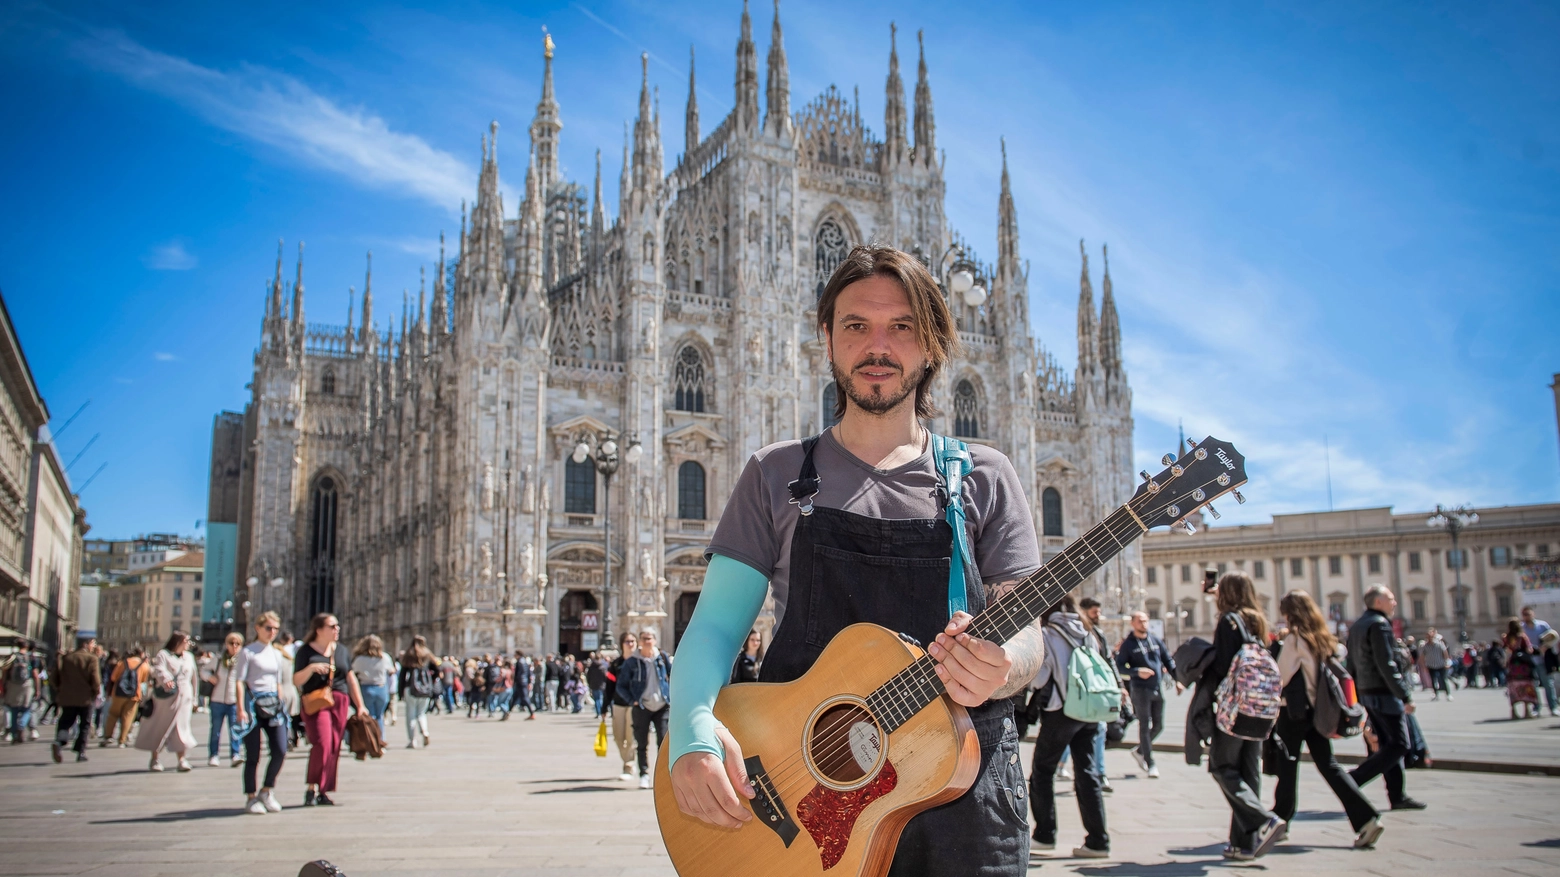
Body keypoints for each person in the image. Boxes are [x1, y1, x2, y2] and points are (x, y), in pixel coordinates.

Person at [666, 245, 1047, 876]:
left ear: (932, 345)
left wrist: (1004, 666)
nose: (878, 346)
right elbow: (713, 627)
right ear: (827, 339)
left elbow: (1025, 625)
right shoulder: (777, 473)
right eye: (856, 326)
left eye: (902, 327)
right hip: (805, 798)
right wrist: (693, 733)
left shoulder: (984, 475)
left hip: (964, 792)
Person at [1270, 590, 1383, 849]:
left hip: (1293, 712)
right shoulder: (1321, 638)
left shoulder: (1295, 640)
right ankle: (1366, 818)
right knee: (1329, 766)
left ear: (1290, 614)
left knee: (1287, 766)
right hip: (1317, 711)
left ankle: (1279, 820)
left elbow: (1281, 677)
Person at [1203, 573, 1285, 860]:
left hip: (1236, 707)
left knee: (1221, 766)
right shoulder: (1258, 621)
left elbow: (1226, 667)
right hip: (1260, 709)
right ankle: (1244, 844)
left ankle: (1264, 820)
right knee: (1249, 772)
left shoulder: (1228, 621)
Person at [1027, 596, 1111, 859]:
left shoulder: (1049, 633)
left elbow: (1039, 678)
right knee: (1087, 774)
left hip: (1060, 712)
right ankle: (1098, 841)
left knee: (1042, 772)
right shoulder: (1089, 632)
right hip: (1088, 710)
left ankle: (1045, 835)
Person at [1346, 585, 1427, 811]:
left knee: (1387, 744)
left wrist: (1356, 693)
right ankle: (1354, 779)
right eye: (1390, 598)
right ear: (1378, 602)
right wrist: (1404, 695)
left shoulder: (1358, 626)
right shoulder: (1380, 625)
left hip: (1367, 692)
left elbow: (1350, 664)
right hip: (1384, 692)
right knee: (1400, 744)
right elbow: (1387, 664)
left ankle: (1397, 795)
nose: (1394, 602)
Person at [294, 613, 366, 806]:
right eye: (332, 626)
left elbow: (351, 679)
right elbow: (296, 680)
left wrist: (360, 705)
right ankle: (312, 786)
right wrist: (311, 669)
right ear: (319, 630)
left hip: (340, 701)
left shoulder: (341, 650)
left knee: (334, 746)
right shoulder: (306, 652)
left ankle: (323, 790)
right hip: (316, 701)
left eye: (337, 626)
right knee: (322, 743)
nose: (337, 630)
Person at [1115, 610, 1180, 779]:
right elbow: (1120, 667)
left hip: (1156, 688)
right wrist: (1137, 672)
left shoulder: (1155, 641)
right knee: (1144, 725)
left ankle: (1140, 750)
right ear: (1133, 623)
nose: (1143, 624)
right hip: (1140, 689)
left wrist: (1178, 680)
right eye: (1140, 621)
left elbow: (1167, 661)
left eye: (1145, 620)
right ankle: (1150, 763)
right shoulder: (1128, 644)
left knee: (1159, 725)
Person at [234, 612, 288, 814]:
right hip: (253, 705)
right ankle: (250, 797)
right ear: (258, 628)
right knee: (253, 754)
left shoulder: (276, 653)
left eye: (275, 629)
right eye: (268, 628)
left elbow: (278, 680)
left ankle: (266, 790)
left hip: (274, 705)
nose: (272, 632)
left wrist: (282, 703)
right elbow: (239, 681)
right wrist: (240, 708)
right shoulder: (248, 652)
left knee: (280, 750)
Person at [135, 630, 197, 772]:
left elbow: (194, 678)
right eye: (186, 641)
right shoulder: (163, 654)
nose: (188, 644)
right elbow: (158, 669)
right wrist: (166, 680)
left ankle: (182, 760)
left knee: (181, 728)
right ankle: (155, 758)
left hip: (184, 697)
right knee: (160, 727)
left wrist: (194, 698)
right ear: (178, 642)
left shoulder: (189, 657)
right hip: (166, 698)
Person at [619, 628, 672, 790]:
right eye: (643, 638)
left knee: (663, 742)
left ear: (655, 640)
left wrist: (670, 697)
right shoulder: (632, 662)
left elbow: (674, 676)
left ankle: (663, 776)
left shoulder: (662, 659)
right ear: (640, 642)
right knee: (641, 742)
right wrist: (633, 701)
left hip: (662, 706)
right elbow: (621, 685)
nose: (647, 641)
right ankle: (644, 774)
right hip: (641, 706)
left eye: (649, 638)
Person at [51, 635, 102, 763]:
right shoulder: (92, 659)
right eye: (93, 643)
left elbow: (54, 677)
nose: (94, 646)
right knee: (85, 724)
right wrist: (96, 692)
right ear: (87, 644)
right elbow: (95, 679)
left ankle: (59, 742)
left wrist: (60, 689)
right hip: (85, 697)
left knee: (66, 721)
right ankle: (81, 752)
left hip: (67, 697)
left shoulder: (67, 657)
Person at [204, 632, 246, 767]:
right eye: (231, 643)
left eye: (237, 644)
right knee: (216, 730)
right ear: (226, 644)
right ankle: (214, 755)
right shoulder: (218, 659)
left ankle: (235, 754)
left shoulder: (243, 661)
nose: (234, 646)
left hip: (233, 700)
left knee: (235, 729)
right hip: (217, 699)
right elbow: (203, 670)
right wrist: (210, 677)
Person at [100, 646, 148, 748]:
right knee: (128, 717)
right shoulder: (143, 665)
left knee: (113, 714)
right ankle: (122, 740)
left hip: (118, 693)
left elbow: (113, 677)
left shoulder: (123, 662)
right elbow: (143, 680)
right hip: (134, 695)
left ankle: (108, 736)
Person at [397, 636, 440, 747]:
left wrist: (400, 691)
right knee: (421, 713)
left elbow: (402, 675)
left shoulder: (409, 655)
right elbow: (437, 671)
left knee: (410, 714)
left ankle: (412, 740)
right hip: (425, 688)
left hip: (409, 688)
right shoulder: (428, 655)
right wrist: (431, 681)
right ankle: (425, 731)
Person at [607, 632, 638, 780]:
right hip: (618, 704)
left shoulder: (640, 662)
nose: (630, 644)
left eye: (632, 641)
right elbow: (609, 685)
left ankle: (629, 765)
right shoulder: (616, 664)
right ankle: (627, 760)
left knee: (630, 737)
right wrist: (603, 707)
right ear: (621, 644)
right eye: (627, 641)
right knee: (618, 737)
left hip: (634, 705)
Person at [350, 635, 395, 730]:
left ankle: (370, 739)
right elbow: (391, 671)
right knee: (380, 716)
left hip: (366, 688)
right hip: (381, 688)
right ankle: (380, 740)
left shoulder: (359, 659)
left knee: (369, 716)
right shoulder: (385, 657)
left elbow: (352, 672)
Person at [1520, 607, 1557, 716]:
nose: (1526, 616)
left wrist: (1544, 647)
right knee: (1533, 686)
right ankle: (1536, 707)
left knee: (1548, 684)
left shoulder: (1543, 625)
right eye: (1524, 614)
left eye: (1528, 614)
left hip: (1543, 659)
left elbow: (1552, 638)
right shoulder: (1522, 628)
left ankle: (1553, 707)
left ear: (1533, 614)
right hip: (1530, 661)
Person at [3, 642, 39, 745]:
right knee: (27, 708)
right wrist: (37, 689)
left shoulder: (13, 656)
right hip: (27, 685)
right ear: (27, 647)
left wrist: (4, 686)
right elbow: (35, 674)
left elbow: (5, 671)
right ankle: (21, 725)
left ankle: (14, 734)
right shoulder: (31, 657)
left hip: (13, 685)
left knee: (14, 710)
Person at [1503, 620, 1540, 719]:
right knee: (1526, 685)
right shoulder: (1522, 637)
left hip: (1512, 666)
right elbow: (1529, 649)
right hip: (1523, 666)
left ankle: (1514, 711)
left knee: (1513, 687)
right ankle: (1527, 711)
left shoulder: (1506, 638)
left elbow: (1506, 651)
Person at [503, 649, 535, 721]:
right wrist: (529, 682)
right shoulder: (525, 661)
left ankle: (532, 713)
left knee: (524, 698)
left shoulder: (520, 662)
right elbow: (529, 672)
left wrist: (515, 681)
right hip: (523, 682)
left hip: (520, 683)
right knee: (514, 698)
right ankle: (508, 712)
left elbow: (519, 674)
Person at [1421, 628, 1452, 702]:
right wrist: (1424, 666)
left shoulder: (1439, 644)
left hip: (1440, 664)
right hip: (1430, 665)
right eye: (1428, 636)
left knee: (1444, 679)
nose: (1429, 638)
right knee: (1433, 680)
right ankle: (1435, 694)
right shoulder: (1425, 646)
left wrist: (1447, 662)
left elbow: (1445, 653)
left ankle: (1448, 694)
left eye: (1430, 636)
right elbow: (1422, 656)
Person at [585, 652, 609, 717]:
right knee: (600, 699)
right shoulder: (603, 666)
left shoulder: (591, 667)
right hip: (602, 685)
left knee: (596, 699)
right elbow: (605, 676)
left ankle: (598, 712)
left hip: (593, 685)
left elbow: (588, 676)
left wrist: (589, 683)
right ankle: (601, 712)